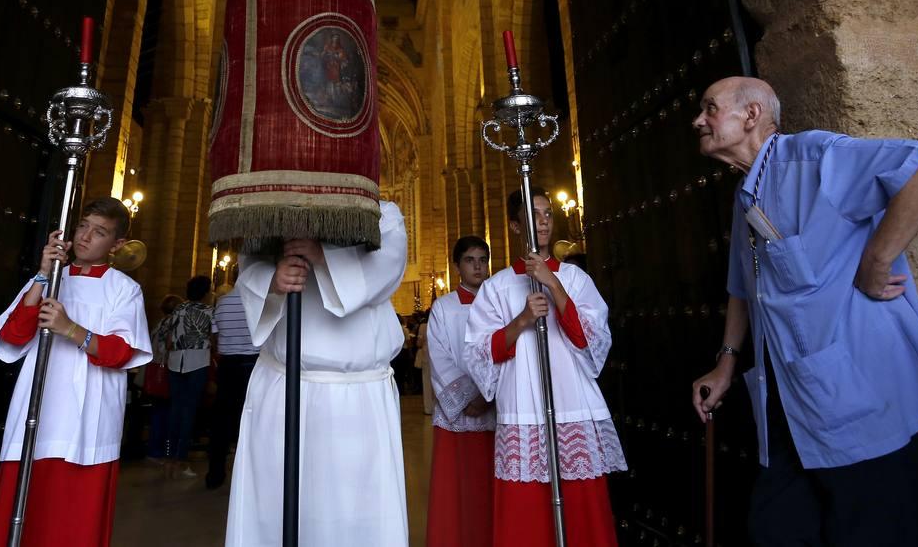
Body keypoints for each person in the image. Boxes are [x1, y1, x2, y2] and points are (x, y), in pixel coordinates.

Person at [689, 76, 918, 546]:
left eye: (710, 108)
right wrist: (725, 364)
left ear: (752, 115)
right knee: (775, 529)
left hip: (858, 399)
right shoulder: (746, 196)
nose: (698, 120)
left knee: (876, 532)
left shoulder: (814, 157)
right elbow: (744, 286)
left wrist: (876, 261)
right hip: (790, 404)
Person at [225, 200, 409, 547]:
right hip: (284, 386)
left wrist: (323, 257)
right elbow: (248, 264)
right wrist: (273, 281)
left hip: (357, 398)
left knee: (358, 509)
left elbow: (388, 268)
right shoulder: (275, 202)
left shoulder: (381, 211)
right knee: (278, 503)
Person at [0, 198, 151, 547]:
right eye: (83, 226)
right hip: (37, 412)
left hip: (87, 421)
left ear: (115, 245)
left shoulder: (124, 289)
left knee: (70, 522)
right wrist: (43, 273)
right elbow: (13, 336)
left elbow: (121, 352)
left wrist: (70, 329)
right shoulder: (49, 280)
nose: (85, 237)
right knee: (21, 509)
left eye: (99, 232)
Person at [465, 188, 624, 547]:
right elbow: (479, 353)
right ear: (515, 225)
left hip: (572, 403)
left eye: (548, 213)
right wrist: (521, 320)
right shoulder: (496, 288)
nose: (544, 221)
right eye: (534, 214)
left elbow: (590, 340)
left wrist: (553, 284)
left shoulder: (576, 279)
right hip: (524, 406)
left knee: (583, 512)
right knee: (528, 519)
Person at [425, 236, 496, 547]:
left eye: (483, 259)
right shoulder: (443, 308)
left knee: (490, 489)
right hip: (459, 416)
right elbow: (439, 358)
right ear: (457, 267)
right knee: (457, 490)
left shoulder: (501, 305)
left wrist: (488, 395)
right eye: (470, 260)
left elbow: (508, 350)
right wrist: (470, 397)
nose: (478, 266)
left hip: (495, 409)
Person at [206, 268, 258, 489]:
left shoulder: (223, 302)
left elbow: (215, 335)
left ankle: (215, 474)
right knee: (251, 419)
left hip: (228, 365)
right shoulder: (257, 301)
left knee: (222, 419)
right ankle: (248, 477)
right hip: (252, 363)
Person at [165, 275, 214, 479]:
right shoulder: (209, 312)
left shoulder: (179, 309)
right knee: (190, 411)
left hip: (176, 361)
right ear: (205, 292)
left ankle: (169, 457)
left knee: (175, 409)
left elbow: (168, 335)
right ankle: (182, 458)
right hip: (198, 362)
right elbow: (215, 337)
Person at [146, 293, 182, 463]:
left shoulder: (159, 323)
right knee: (166, 412)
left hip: (154, 367)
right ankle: (161, 450)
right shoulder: (173, 323)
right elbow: (170, 345)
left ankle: (154, 449)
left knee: (158, 411)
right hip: (166, 368)